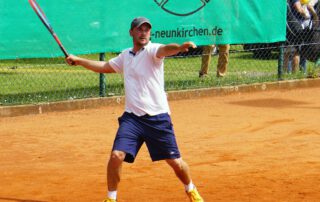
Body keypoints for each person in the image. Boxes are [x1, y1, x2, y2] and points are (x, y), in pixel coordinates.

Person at [66, 17, 204, 202]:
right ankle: (111, 198)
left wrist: (179, 47)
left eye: (146, 30)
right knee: (116, 156)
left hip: (157, 118)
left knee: (175, 163)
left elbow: (165, 49)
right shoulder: (126, 56)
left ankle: (191, 188)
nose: (143, 33)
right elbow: (105, 66)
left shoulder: (152, 51)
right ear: (131, 32)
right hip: (132, 119)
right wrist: (79, 61)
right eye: (139, 29)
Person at [284, 0, 318, 73]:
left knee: (295, 50)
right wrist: (309, 16)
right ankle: (292, 72)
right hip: (296, 25)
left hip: (300, 25)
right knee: (294, 50)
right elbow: (299, 9)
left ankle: (296, 72)